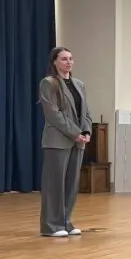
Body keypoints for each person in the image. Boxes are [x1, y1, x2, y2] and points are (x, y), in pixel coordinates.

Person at [38, 47, 93, 237]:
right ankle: (51, 225)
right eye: (63, 59)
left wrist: (86, 131)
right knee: (55, 185)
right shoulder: (49, 83)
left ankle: (65, 222)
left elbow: (85, 112)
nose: (68, 62)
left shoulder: (79, 84)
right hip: (57, 141)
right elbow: (53, 114)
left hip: (78, 141)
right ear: (54, 62)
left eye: (70, 58)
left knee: (71, 184)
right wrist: (75, 133)